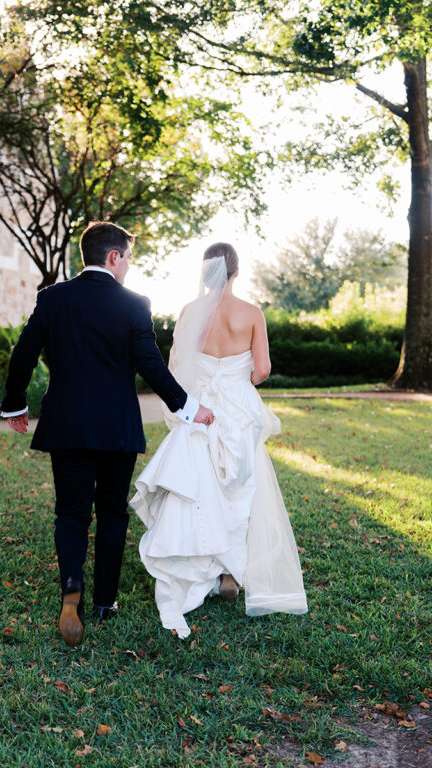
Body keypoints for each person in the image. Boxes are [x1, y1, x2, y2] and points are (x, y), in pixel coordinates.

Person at [0, 221, 214, 647]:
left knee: (71, 513)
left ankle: (71, 588)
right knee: (112, 511)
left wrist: (15, 404)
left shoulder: (53, 298)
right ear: (113, 256)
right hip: (117, 427)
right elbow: (151, 365)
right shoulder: (134, 303)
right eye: (128, 258)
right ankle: (105, 601)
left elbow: (23, 352)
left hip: (66, 425)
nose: (129, 266)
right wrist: (190, 408)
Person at [130, 243, 308, 638]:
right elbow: (262, 369)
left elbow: (177, 367)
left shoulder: (189, 312)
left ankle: (199, 562)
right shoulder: (251, 313)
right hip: (238, 410)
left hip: (200, 408)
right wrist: (240, 376)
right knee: (238, 489)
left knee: (199, 486)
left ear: (205, 271)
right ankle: (229, 572)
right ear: (236, 271)